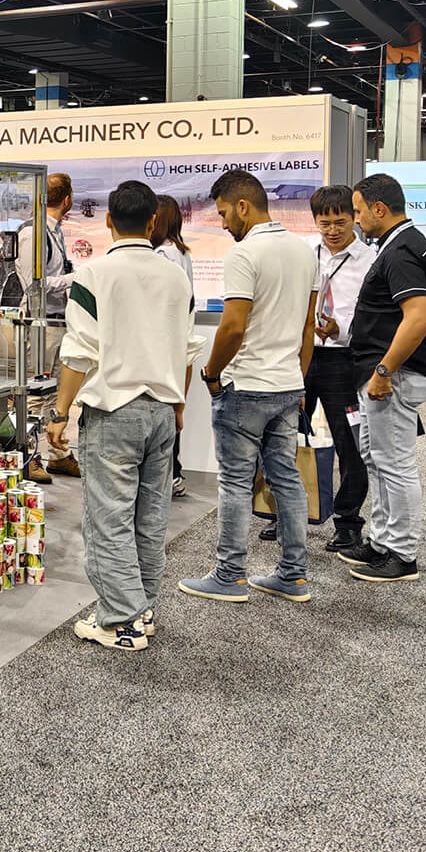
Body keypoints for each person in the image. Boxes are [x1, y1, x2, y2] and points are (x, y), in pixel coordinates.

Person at [49, 180, 192, 652]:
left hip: (113, 412)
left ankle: (120, 622)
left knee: (108, 519)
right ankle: (141, 610)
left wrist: (59, 412)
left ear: (109, 221)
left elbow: (79, 351)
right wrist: (178, 406)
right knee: (150, 519)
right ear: (152, 222)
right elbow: (187, 349)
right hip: (161, 411)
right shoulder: (176, 277)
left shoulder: (94, 275)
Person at [178, 169, 318, 605]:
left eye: (223, 214)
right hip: (287, 384)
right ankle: (293, 575)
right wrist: (298, 378)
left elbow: (233, 326)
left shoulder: (244, 254)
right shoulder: (304, 251)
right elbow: (308, 327)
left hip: (246, 386)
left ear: (243, 206)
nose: (222, 224)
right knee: (286, 479)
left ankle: (230, 575)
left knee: (236, 483)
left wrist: (211, 373)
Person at [341, 173, 426, 583]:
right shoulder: (398, 244)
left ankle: (402, 554)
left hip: (391, 375)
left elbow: (418, 318)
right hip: (380, 373)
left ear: (379, 209)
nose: (356, 219)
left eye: (358, 211)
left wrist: (384, 370)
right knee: (377, 458)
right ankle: (382, 541)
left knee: (395, 464)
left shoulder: (401, 251)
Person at [304, 186, 372, 557]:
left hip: (344, 359)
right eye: (324, 223)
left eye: (340, 222)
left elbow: (372, 316)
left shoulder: (369, 259)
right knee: (286, 436)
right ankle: (286, 513)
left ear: (354, 218)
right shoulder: (304, 254)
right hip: (302, 355)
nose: (332, 230)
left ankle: (347, 523)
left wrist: (340, 328)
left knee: (350, 444)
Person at [18, 173, 77, 481]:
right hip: (37, 324)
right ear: (67, 199)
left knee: (55, 392)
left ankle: (58, 455)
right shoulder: (33, 233)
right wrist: (73, 279)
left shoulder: (53, 231)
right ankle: (28, 456)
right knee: (33, 393)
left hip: (55, 321)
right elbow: (33, 285)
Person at [150, 193, 195, 498]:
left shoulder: (163, 255)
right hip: (177, 343)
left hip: (164, 344)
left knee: (166, 413)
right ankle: (174, 474)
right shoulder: (181, 252)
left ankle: (170, 475)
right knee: (172, 409)